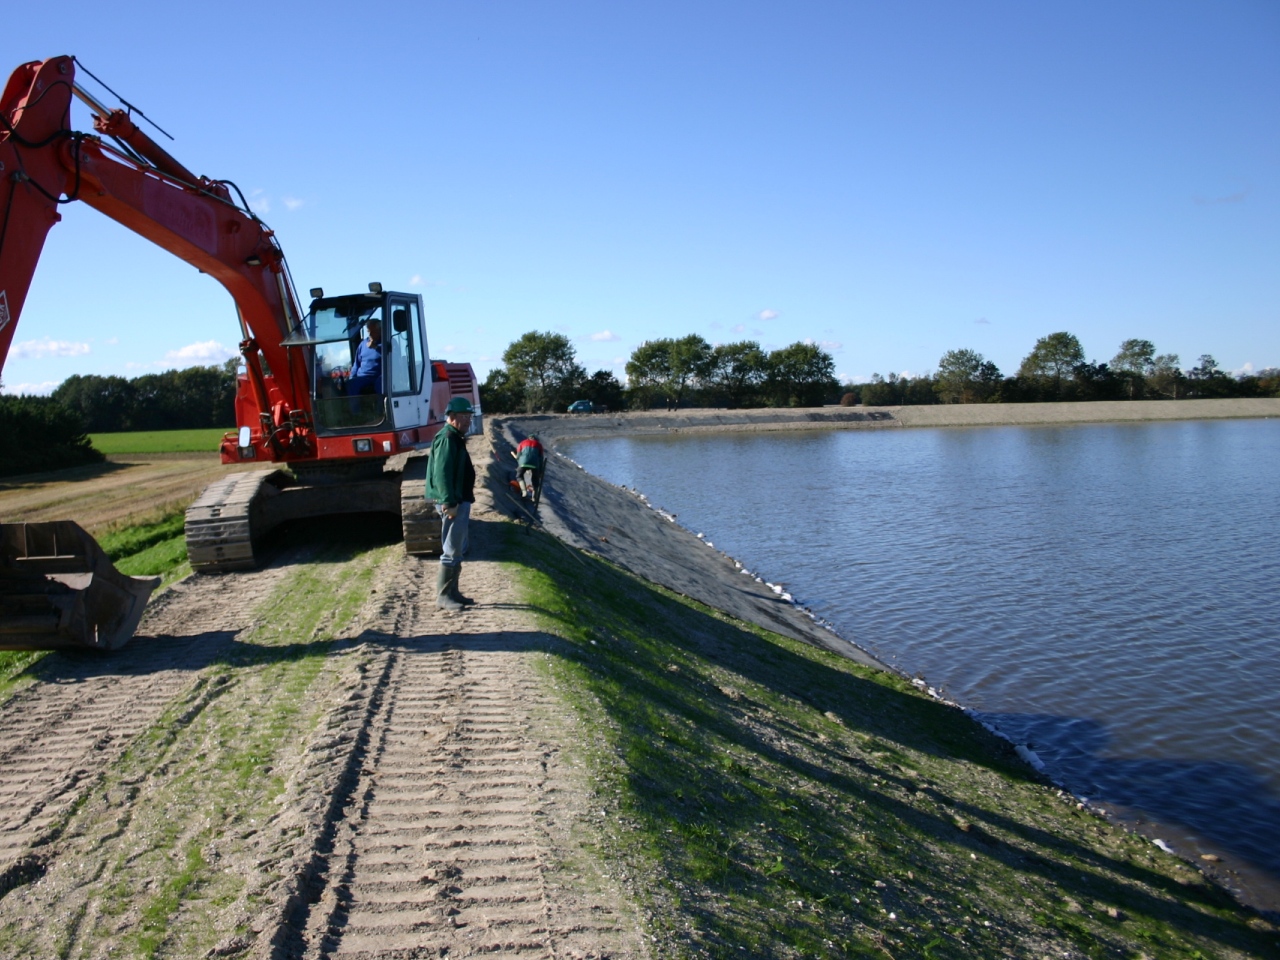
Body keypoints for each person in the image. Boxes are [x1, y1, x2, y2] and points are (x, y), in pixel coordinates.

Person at [426, 396, 476, 612]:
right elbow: (442, 473)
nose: (468, 421)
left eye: (470, 417)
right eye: (464, 416)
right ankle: (444, 596)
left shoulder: (454, 437)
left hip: (459, 498)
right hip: (453, 501)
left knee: (458, 548)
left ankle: (453, 592)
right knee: (451, 549)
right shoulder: (447, 438)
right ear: (452, 416)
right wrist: (448, 501)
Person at [346, 319, 383, 396]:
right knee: (351, 384)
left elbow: (391, 356)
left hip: (379, 376)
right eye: (369, 331)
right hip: (363, 377)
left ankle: (382, 404)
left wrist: (376, 347)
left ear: (380, 330)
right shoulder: (362, 344)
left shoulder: (387, 342)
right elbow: (356, 364)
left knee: (381, 384)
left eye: (373, 331)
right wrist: (352, 377)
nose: (370, 334)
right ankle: (354, 404)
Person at [511, 434, 545, 504]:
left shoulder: (522, 443)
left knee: (519, 476)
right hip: (535, 464)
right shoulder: (539, 445)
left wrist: (517, 458)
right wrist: (540, 472)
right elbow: (541, 459)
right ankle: (534, 497)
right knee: (535, 478)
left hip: (523, 463)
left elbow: (518, 456)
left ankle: (524, 492)